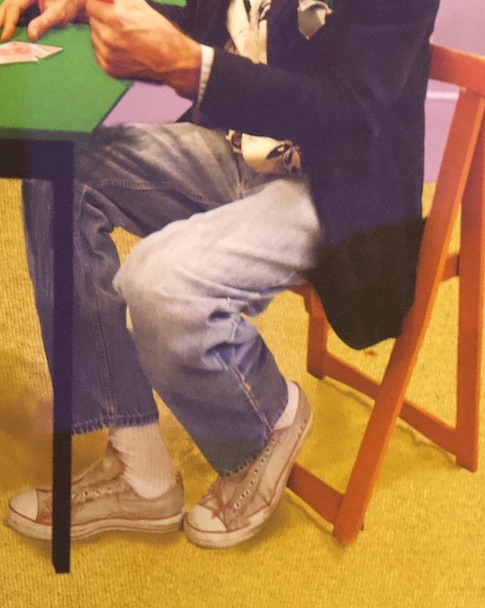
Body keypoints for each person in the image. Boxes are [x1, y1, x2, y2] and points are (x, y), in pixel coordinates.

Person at [1, 0, 438, 547]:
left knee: (159, 283)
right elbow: (206, 24)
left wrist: (190, 66)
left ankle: (268, 421)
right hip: (239, 150)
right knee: (58, 171)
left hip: (338, 187)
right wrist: (92, 7)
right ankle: (139, 470)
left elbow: (353, 113)